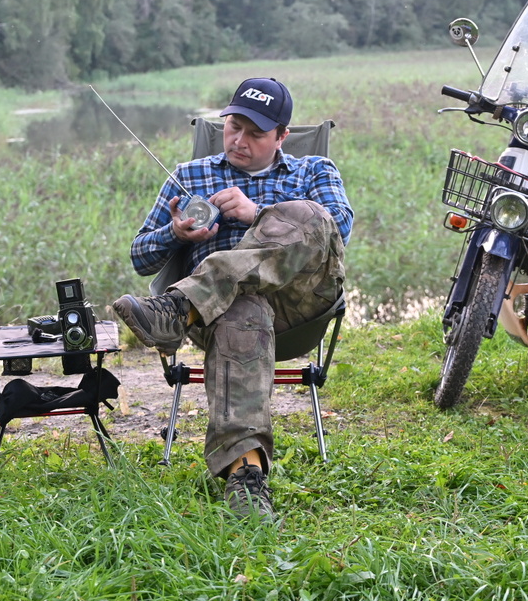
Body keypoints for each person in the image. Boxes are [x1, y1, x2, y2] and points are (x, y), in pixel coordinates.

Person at [112, 77, 353, 523]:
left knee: (307, 214)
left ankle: (177, 308)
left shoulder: (314, 170)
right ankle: (247, 478)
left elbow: (337, 229)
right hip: (222, 314)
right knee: (241, 306)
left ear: (282, 135)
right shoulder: (190, 176)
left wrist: (256, 213)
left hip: (299, 309)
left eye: (255, 133)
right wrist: (174, 233)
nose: (239, 141)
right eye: (232, 127)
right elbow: (139, 256)